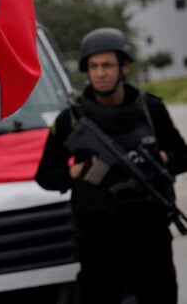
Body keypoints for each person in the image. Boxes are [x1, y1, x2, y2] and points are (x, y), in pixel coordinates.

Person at [35, 27, 187, 304]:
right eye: (93, 66)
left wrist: (165, 159)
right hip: (98, 236)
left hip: (148, 230)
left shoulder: (150, 110)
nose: (100, 73)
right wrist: (71, 173)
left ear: (124, 66)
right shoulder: (72, 119)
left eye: (107, 65)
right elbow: (45, 175)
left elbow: (182, 155)